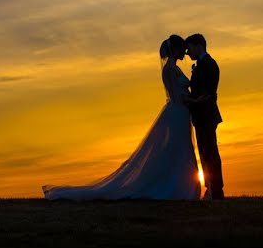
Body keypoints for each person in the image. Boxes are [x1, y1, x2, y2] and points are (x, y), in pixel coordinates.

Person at [42, 35, 202, 200]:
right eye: (182, 48)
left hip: (181, 113)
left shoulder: (175, 68)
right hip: (177, 113)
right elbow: (176, 97)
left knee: (180, 150)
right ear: (175, 49)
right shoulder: (169, 69)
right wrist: (195, 100)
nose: (185, 51)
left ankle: (182, 186)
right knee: (178, 149)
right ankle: (178, 188)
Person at [184, 33, 224, 200]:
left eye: (189, 48)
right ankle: (210, 188)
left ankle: (216, 190)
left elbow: (208, 93)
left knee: (210, 152)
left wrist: (192, 102)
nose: (187, 53)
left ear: (198, 46)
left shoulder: (210, 64)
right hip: (200, 116)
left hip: (207, 114)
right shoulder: (200, 65)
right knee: (203, 152)